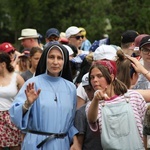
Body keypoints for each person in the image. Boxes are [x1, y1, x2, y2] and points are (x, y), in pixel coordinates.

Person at [9, 41, 78, 150]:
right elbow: (14, 114)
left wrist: (75, 140)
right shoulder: (32, 84)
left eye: (59, 58)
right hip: (36, 144)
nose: (55, 62)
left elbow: (72, 121)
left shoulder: (71, 88)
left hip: (61, 144)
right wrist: (27, 104)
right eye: (51, 57)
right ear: (45, 59)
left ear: (64, 61)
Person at [86, 60, 146, 149]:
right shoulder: (93, 105)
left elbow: (146, 127)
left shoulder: (133, 97)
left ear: (112, 76)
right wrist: (96, 100)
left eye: (99, 76)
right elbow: (91, 119)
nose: (95, 80)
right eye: (92, 77)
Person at [71, 73, 103, 150]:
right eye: (88, 90)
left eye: (93, 88)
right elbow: (78, 144)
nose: (92, 92)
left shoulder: (110, 106)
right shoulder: (81, 112)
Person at [0, 52, 24, 150]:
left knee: (15, 146)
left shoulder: (16, 77)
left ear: (3, 64)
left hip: (11, 116)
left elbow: (26, 96)